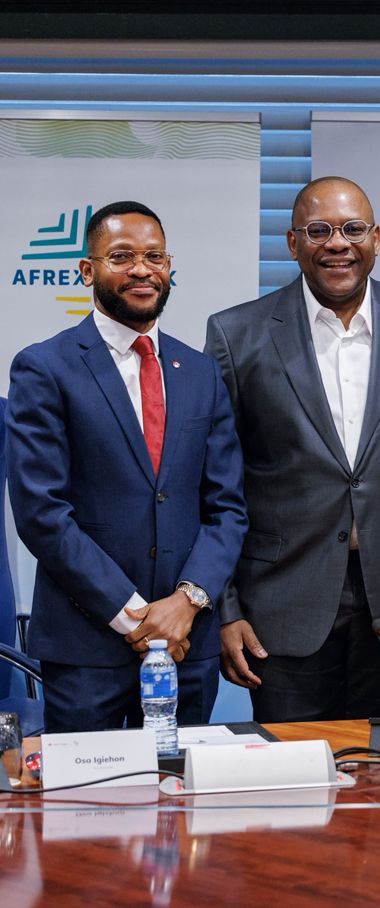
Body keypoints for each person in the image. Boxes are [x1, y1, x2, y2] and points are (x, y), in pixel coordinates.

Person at [205, 177, 380, 722]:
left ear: (376, 239)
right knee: (294, 770)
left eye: (353, 229)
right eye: (319, 231)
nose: (338, 243)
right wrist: (226, 608)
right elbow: (215, 485)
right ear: (292, 243)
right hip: (280, 608)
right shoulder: (237, 334)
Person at [6, 201, 247, 733]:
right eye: (121, 256)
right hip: (86, 647)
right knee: (88, 788)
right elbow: (42, 513)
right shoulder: (44, 367)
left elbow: (227, 507)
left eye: (154, 257)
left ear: (168, 267)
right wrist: (135, 616)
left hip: (188, 644)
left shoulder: (200, 372)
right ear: (87, 271)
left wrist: (186, 602)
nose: (142, 269)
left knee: (180, 786)